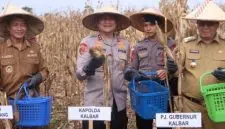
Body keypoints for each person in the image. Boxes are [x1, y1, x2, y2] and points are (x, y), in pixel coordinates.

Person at [76, 6, 131, 129]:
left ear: (116, 22)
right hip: (95, 103)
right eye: (103, 19)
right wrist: (90, 67)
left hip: (119, 104)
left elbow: (126, 69)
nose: (107, 22)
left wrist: (132, 74)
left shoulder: (125, 43)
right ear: (97, 22)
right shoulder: (88, 42)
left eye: (111, 19)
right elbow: (79, 74)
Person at [124, 8, 177, 129]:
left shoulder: (170, 44)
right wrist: (132, 74)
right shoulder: (139, 46)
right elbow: (132, 68)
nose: (148, 28)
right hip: (144, 90)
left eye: (151, 25)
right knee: (143, 124)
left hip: (164, 89)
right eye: (145, 25)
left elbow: (177, 66)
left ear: (158, 25)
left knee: (165, 125)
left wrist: (167, 71)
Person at [175, 1, 225, 129]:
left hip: (219, 104)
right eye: (201, 23)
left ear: (217, 25)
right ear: (196, 25)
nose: (205, 27)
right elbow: (177, 71)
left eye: (210, 23)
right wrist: (172, 67)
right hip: (191, 105)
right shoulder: (186, 45)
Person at [0, 5, 49, 129]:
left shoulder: (34, 48)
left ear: (26, 28)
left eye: (22, 25)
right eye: (15, 25)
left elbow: (44, 70)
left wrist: (38, 78)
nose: (19, 28)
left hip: (30, 101)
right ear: (8, 28)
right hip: (8, 102)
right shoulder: (1, 49)